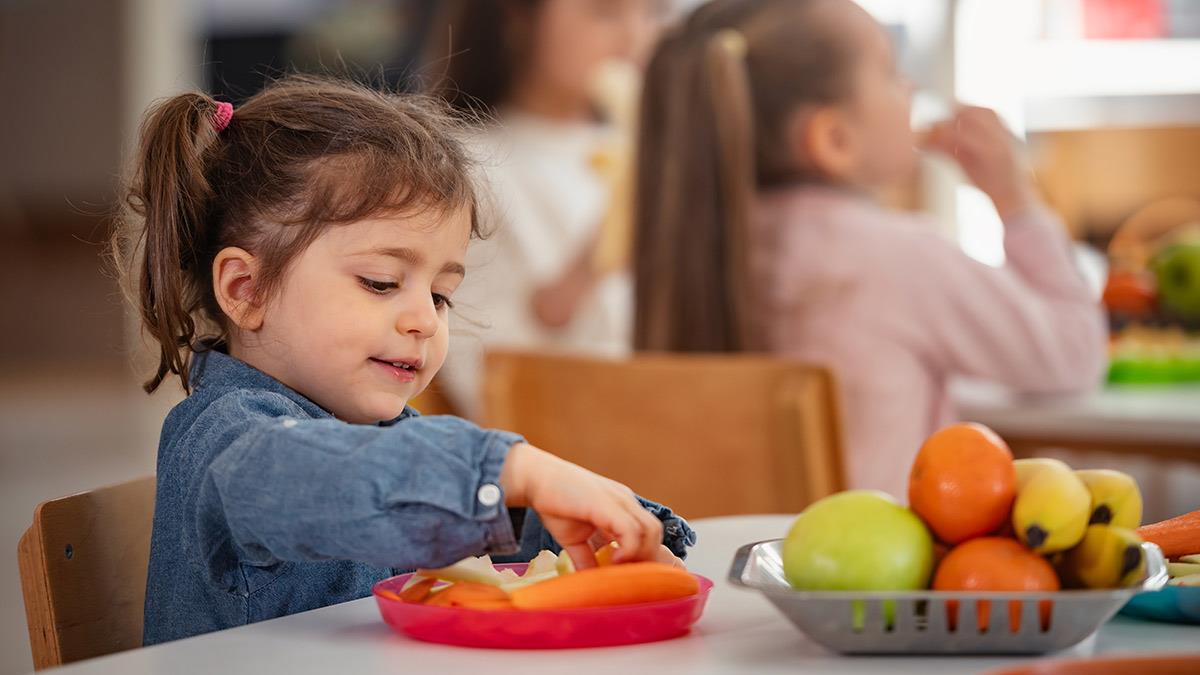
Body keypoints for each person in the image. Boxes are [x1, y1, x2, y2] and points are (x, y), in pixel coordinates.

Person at [110, 75, 694, 645]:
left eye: (440, 294)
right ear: (246, 290)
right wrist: (508, 468)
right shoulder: (226, 442)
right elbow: (341, 481)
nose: (425, 320)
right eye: (382, 282)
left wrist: (609, 530)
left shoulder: (390, 438)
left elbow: (469, 523)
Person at [632, 0, 1107, 499]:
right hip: (881, 574)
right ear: (835, 139)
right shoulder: (900, 257)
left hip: (736, 565)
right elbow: (1071, 356)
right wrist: (1016, 200)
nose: (911, 89)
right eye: (890, 71)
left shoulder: (689, 250)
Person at [426, 0, 667, 417]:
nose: (635, 38)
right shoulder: (464, 165)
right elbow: (486, 388)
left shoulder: (654, 153)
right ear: (518, 17)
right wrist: (592, 263)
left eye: (654, 11)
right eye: (605, 13)